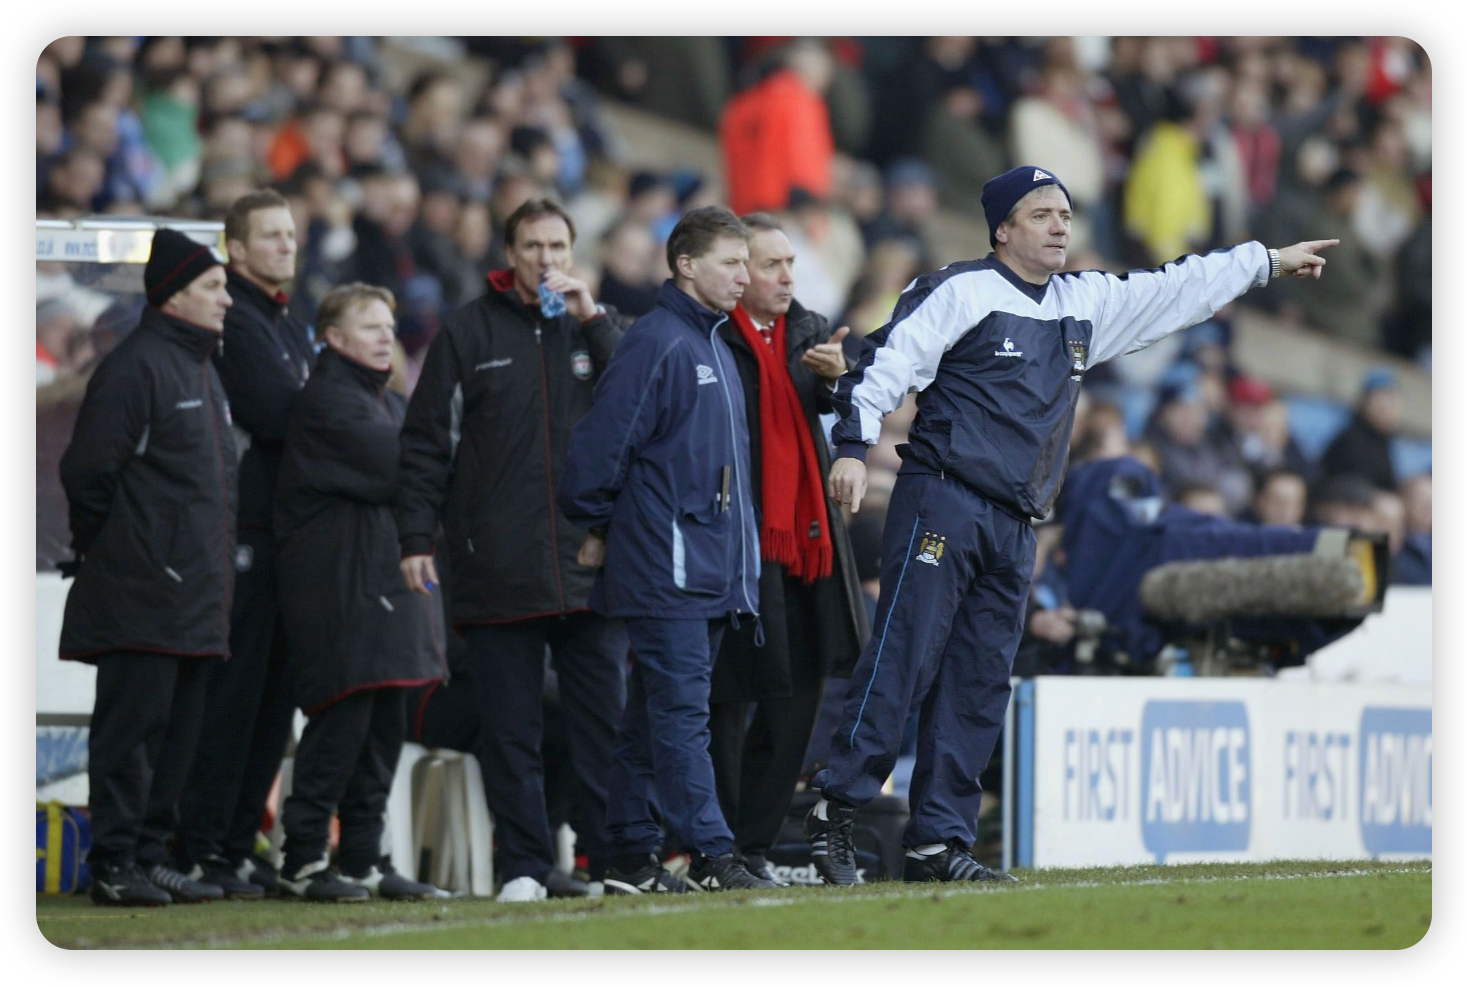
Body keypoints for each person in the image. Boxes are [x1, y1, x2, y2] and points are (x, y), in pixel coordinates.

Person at [806, 164, 1339, 885]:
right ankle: (834, 813)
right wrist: (850, 447)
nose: (1061, 225)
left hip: (1019, 519)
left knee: (981, 679)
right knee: (904, 656)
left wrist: (1266, 263)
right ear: (1002, 229)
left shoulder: (1085, 302)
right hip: (945, 500)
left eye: (1065, 213)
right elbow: (886, 362)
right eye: (1042, 214)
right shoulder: (957, 290)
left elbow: (1175, 286)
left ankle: (939, 840)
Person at [396, 199, 630, 903]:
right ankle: (524, 866)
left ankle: (603, 862)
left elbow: (641, 404)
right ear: (509, 252)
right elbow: (425, 442)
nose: (546, 259)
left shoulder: (598, 328)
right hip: (498, 562)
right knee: (512, 731)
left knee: (600, 727)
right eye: (532, 246)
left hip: (591, 563)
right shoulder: (467, 332)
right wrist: (415, 538)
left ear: (573, 249)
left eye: (557, 245)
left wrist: (594, 319)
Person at [557, 206, 775, 894]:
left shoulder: (709, 340)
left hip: (703, 568)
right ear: (685, 264)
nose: (745, 277)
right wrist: (601, 526)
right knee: (681, 717)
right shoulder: (659, 342)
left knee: (651, 720)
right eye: (731, 262)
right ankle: (713, 852)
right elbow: (597, 452)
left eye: (747, 263)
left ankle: (627, 854)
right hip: (670, 568)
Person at [60, 229, 237, 906]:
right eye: (213, 287)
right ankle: (113, 862)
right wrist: (122, 547)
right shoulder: (137, 366)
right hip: (143, 591)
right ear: (173, 295)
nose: (227, 298)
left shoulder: (201, 367)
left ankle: (150, 855)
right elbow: (88, 471)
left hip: (195, 594)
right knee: (130, 738)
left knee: (175, 740)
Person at [707, 214, 871, 884]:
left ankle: (753, 845)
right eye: (770, 265)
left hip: (807, 545)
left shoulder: (808, 331)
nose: (783, 277)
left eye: (789, 265)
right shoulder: (713, 337)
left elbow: (853, 407)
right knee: (727, 698)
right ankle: (712, 840)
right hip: (737, 540)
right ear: (737, 273)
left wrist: (839, 382)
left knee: (798, 694)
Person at [270, 284, 446, 902]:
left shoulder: (387, 403)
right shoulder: (327, 403)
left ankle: (365, 857)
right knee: (340, 728)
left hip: (386, 593)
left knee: (381, 732)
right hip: (340, 593)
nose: (384, 336)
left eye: (388, 325)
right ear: (333, 339)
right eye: (369, 327)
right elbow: (406, 472)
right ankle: (303, 858)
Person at [176, 190, 313, 899]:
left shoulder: (286, 319)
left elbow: (309, 406)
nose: (287, 244)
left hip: (287, 537)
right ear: (235, 248)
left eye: (290, 234)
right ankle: (198, 846)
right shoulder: (236, 317)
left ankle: (233, 843)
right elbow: (279, 411)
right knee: (233, 700)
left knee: (271, 702)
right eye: (271, 235)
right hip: (244, 537)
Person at [1320, 369, 1402, 492]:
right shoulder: (1350, 440)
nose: (1386, 410)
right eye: (1380, 404)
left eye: (1392, 404)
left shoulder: (1384, 443)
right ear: (1364, 403)